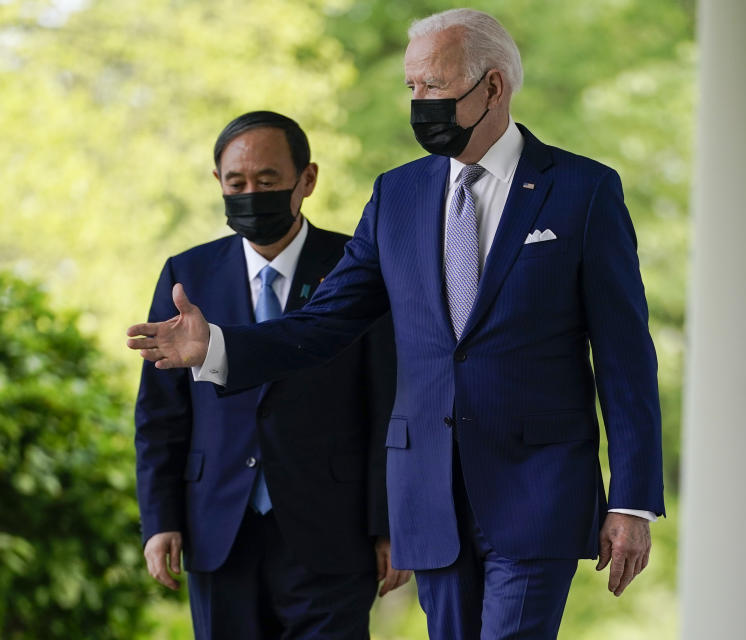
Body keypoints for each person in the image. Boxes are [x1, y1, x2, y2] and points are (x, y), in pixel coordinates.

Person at [128, 10, 664, 639]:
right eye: (411, 88)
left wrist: (631, 500)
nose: (419, 103)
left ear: (493, 88)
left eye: (433, 87)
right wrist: (216, 347)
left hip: (537, 486)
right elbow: (326, 322)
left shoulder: (583, 190)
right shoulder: (397, 195)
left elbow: (626, 355)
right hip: (427, 492)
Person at [134, 110, 410, 640]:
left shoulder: (361, 267)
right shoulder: (186, 274)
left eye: (267, 180)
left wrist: (390, 523)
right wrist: (160, 519)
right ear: (218, 182)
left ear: (306, 179)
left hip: (334, 530)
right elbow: (160, 413)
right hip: (218, 529)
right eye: (236, 182)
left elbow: (389, 403)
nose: (250, 193)